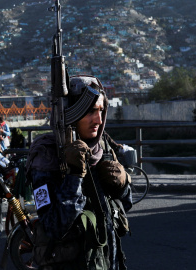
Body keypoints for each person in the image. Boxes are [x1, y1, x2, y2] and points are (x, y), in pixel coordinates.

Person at [26, 75, 132, 269]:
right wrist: (74, 177)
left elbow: (125, 205)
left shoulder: (104, 148)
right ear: (70, 112)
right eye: (91, 111)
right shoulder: (46, 156)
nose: (99, 120)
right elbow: (53, 226)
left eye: (101, 110)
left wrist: (123, 183)